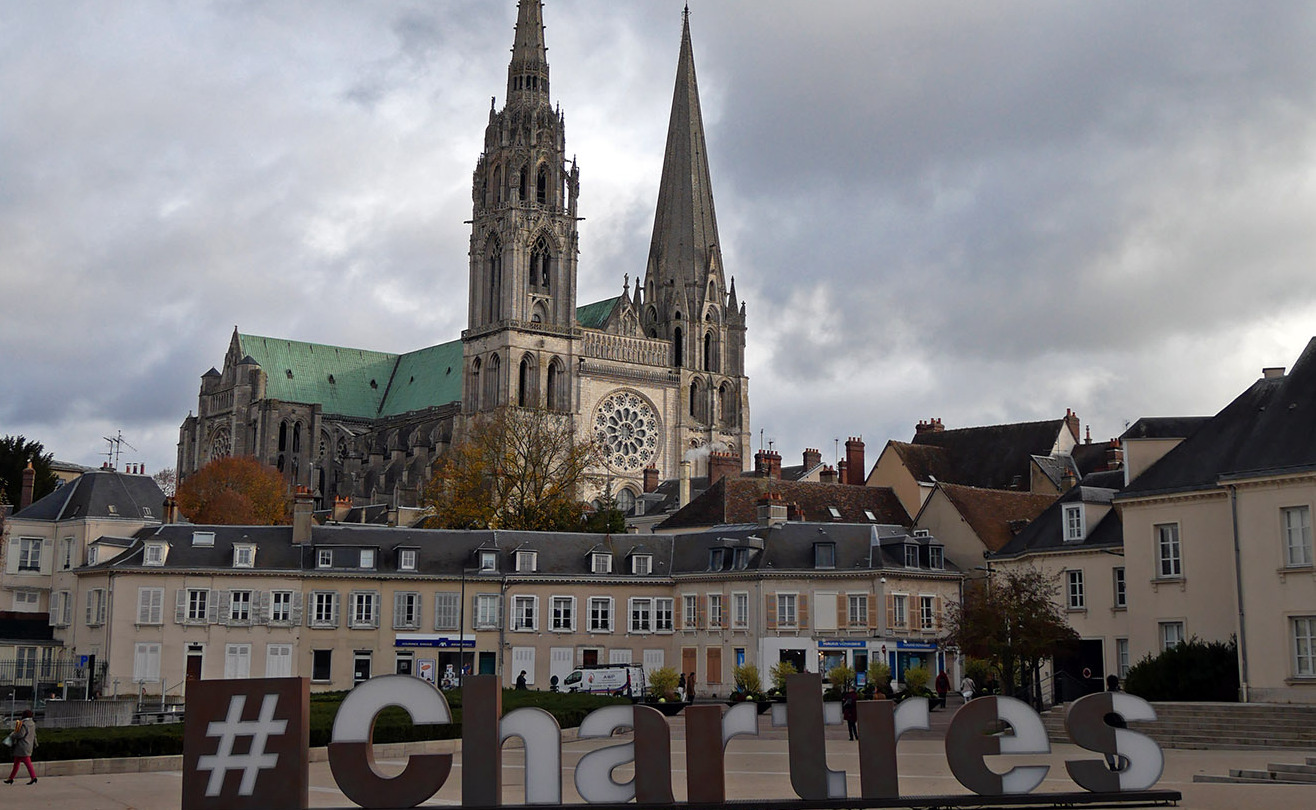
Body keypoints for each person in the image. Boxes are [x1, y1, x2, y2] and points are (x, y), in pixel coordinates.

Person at [5, 709, 37, 785]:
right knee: (17, 762)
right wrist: (35, 743)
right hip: (28, 745)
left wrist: (12, 734)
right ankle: (10, 778)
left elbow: (20, 735)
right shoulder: (32, 723)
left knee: (26, 762)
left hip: (22, 746)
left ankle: (33, 777)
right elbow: (34, 735)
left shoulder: (24, 724)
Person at [1103, 674, 1128, 772]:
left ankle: (1112, 765)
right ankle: (1121, 767)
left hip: (1109, 723)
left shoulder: (1105, 696)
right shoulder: (1123, 695)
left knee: (1106, 746)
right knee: (1122, 747)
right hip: (1121, 723)